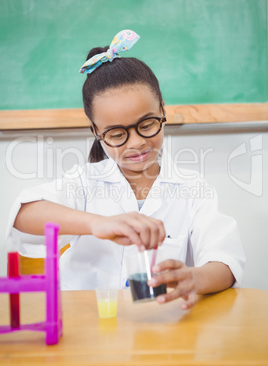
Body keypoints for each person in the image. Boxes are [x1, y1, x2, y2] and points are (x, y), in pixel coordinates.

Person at [7, 29, 245, 310]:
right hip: (86, 330)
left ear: (162, 109)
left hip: (159, 331)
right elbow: (23, 213)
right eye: (117, 134)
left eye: (146, 125)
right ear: (96, 131)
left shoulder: (192, 188)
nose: (136, 143)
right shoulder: (84, 184)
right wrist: (97, 223)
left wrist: (194, 278)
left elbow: (226, 263)